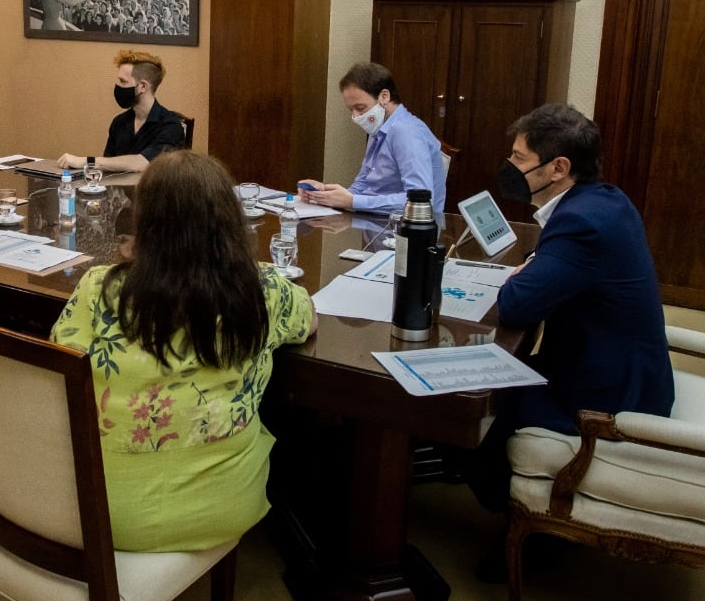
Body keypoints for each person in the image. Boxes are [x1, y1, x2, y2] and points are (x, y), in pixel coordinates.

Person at [50, 151, 317, 551]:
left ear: (143, 224)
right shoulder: (263, 290)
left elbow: (60, 360)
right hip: (224, 504)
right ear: (229, 223)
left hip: (101, 508)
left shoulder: (99, 288)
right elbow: (309, 320)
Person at [470, 104, 675, 520]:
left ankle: (536, 530)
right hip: (619, 364)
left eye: (520, 158)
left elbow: (516, 305)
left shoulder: (582, 223)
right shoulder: (604, 200)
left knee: (481, 412)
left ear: (558, 167)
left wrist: (519, 278)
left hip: (611, 396)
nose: (510, 165)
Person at [299, 62, 446, 215]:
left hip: (404, 231)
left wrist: (351, 201)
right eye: (351, 110)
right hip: (375, 222)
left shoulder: (407, 132)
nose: (355, 117)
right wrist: (325, 194)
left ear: (384, 96)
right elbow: (363, 185)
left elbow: (420, 202)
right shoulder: (379, 127)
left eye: (360, 108)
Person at [57, 50, 186, 174]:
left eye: (123, 81)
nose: (117, 86)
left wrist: (86, 161)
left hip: (152, 195)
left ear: (142, 86)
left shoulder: (171, 125)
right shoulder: (119, 122)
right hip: (117, 194)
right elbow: (108, 164)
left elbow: (143, 163)